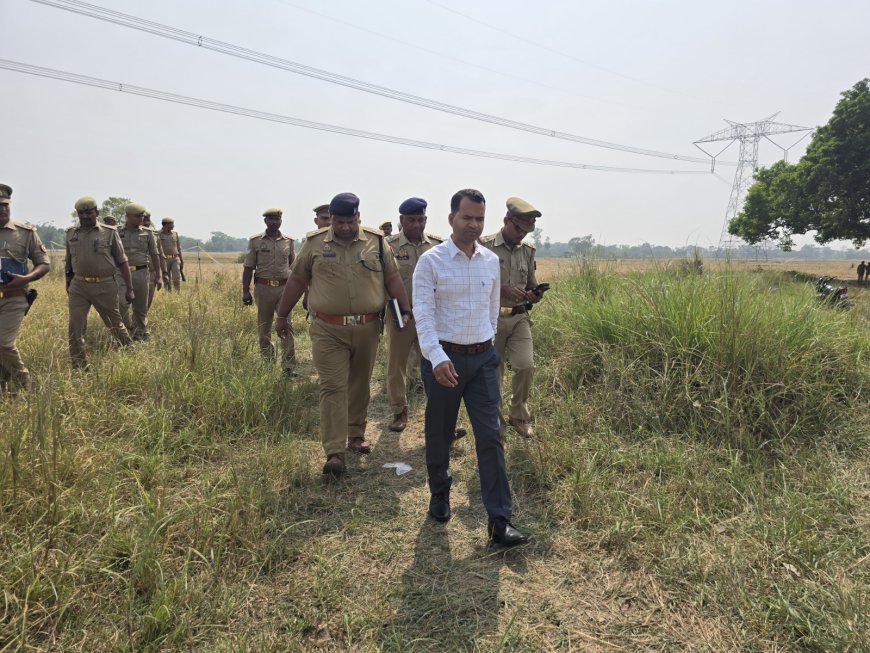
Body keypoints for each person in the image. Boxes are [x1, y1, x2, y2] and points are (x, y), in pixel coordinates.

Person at [412, 188, 529, 546]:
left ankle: (499, 519)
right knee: (440, 433)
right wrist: (437, 356)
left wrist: (485, 346)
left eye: (479, 218)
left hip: (482, 360)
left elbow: (492, 311)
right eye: (467, 217)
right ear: (452, 218)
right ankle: (440, 492)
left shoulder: (490, 261)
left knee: (491, 435)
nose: (474, 225)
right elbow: (423, 315)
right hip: (443, 361)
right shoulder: (431, 262)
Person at [275, 192, 411, 476]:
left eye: (350, 221)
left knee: (360, 384)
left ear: (358, 217)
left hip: (367, 327)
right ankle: (334, 452)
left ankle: (356, 434)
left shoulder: (376, 242)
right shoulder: (314, 244)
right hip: (328, 329)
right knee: (332, 386)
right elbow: (297, 279)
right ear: (332, 219)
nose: (345, 227)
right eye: (339, 222)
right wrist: (282, 314)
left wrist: (405, 310)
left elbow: (392, 278)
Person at [481, 197, 544, 439]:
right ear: (506, 220)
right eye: (518, 228)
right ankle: (496, 423)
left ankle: (518, 415)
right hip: (491, 319)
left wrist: (535, 295)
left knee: (526, 365)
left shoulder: (528, 250)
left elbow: (531, 284)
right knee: (493, 372)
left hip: (519, 317)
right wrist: (502, 290)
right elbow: (474, 284)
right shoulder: (484, 246)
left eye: (526, 230)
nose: (521, 234)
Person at [385, 197, 444, 432]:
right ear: (401, 220)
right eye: (411, 220)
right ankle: (399, 411)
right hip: (401, 315)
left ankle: (439, 414)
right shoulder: (388, 246)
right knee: (396, 365)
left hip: (430, 316)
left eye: (421, 220)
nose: (417, 225)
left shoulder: (438, 246)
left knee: (435, 362)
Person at [66, 196, 134, 368]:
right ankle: (79, 366)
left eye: (89, 213)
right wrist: (68, 283)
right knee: (75, 327)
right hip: (79, 286)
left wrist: (129, 288)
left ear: (96, 212)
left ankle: (130, 353)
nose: (85, 216)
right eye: (81, 213)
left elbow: (122, 261)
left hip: (105, 285)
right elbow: (68, 262)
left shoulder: (109, 232)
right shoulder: (71, 233)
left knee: (114, 324)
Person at [0, 184, 50, 393]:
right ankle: (5, 387)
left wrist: (26, 279)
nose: (3, 209)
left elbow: (44, 264)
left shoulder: (25, 233)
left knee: (3, 343)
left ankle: (24, 381)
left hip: (13, 298)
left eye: (5, 205)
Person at [242, 208, 297, 375]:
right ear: (265, 221)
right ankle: (268, 364)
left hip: (284, 289)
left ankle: (288, 366)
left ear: (281, 221)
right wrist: (245, 291)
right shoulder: (255, 241)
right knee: (264, 327)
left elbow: (293, 267)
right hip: (263, 288)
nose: (274, 221)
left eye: (277, 219)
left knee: (286, 325)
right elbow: (248, 268)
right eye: (271, 219)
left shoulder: (288, 241)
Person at [118, 203, 162, 340]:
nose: (141, 219)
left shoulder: (148, 233)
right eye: (137, 216)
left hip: (141, 273)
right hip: (120, 274)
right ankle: (125, 332)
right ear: (128, 216)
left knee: (141, 307)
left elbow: (155, 254)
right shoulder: (116, 232)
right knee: (121, 303)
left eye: (142, 216)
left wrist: (159, 276)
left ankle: (140, 333)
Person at [141, 211, 167, 309]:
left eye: (148, 220)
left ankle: (141, 318)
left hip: (151, 273)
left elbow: (161, 256)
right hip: (134, 272)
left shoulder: (155, 235)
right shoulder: (125, 233)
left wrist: (164, 273)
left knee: (147, 302)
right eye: (144, 220)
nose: (146, 223)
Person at [159, 217, 184, 291]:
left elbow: (179, 248)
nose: (173, 226)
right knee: (167, 278)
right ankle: (168, 294)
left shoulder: (175, 234)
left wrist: (181, 260)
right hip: (164, 259)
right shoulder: (158, 234)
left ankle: (177, 293)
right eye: (172, 224)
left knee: (176, 276)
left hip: (175, 258)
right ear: (166, 224)